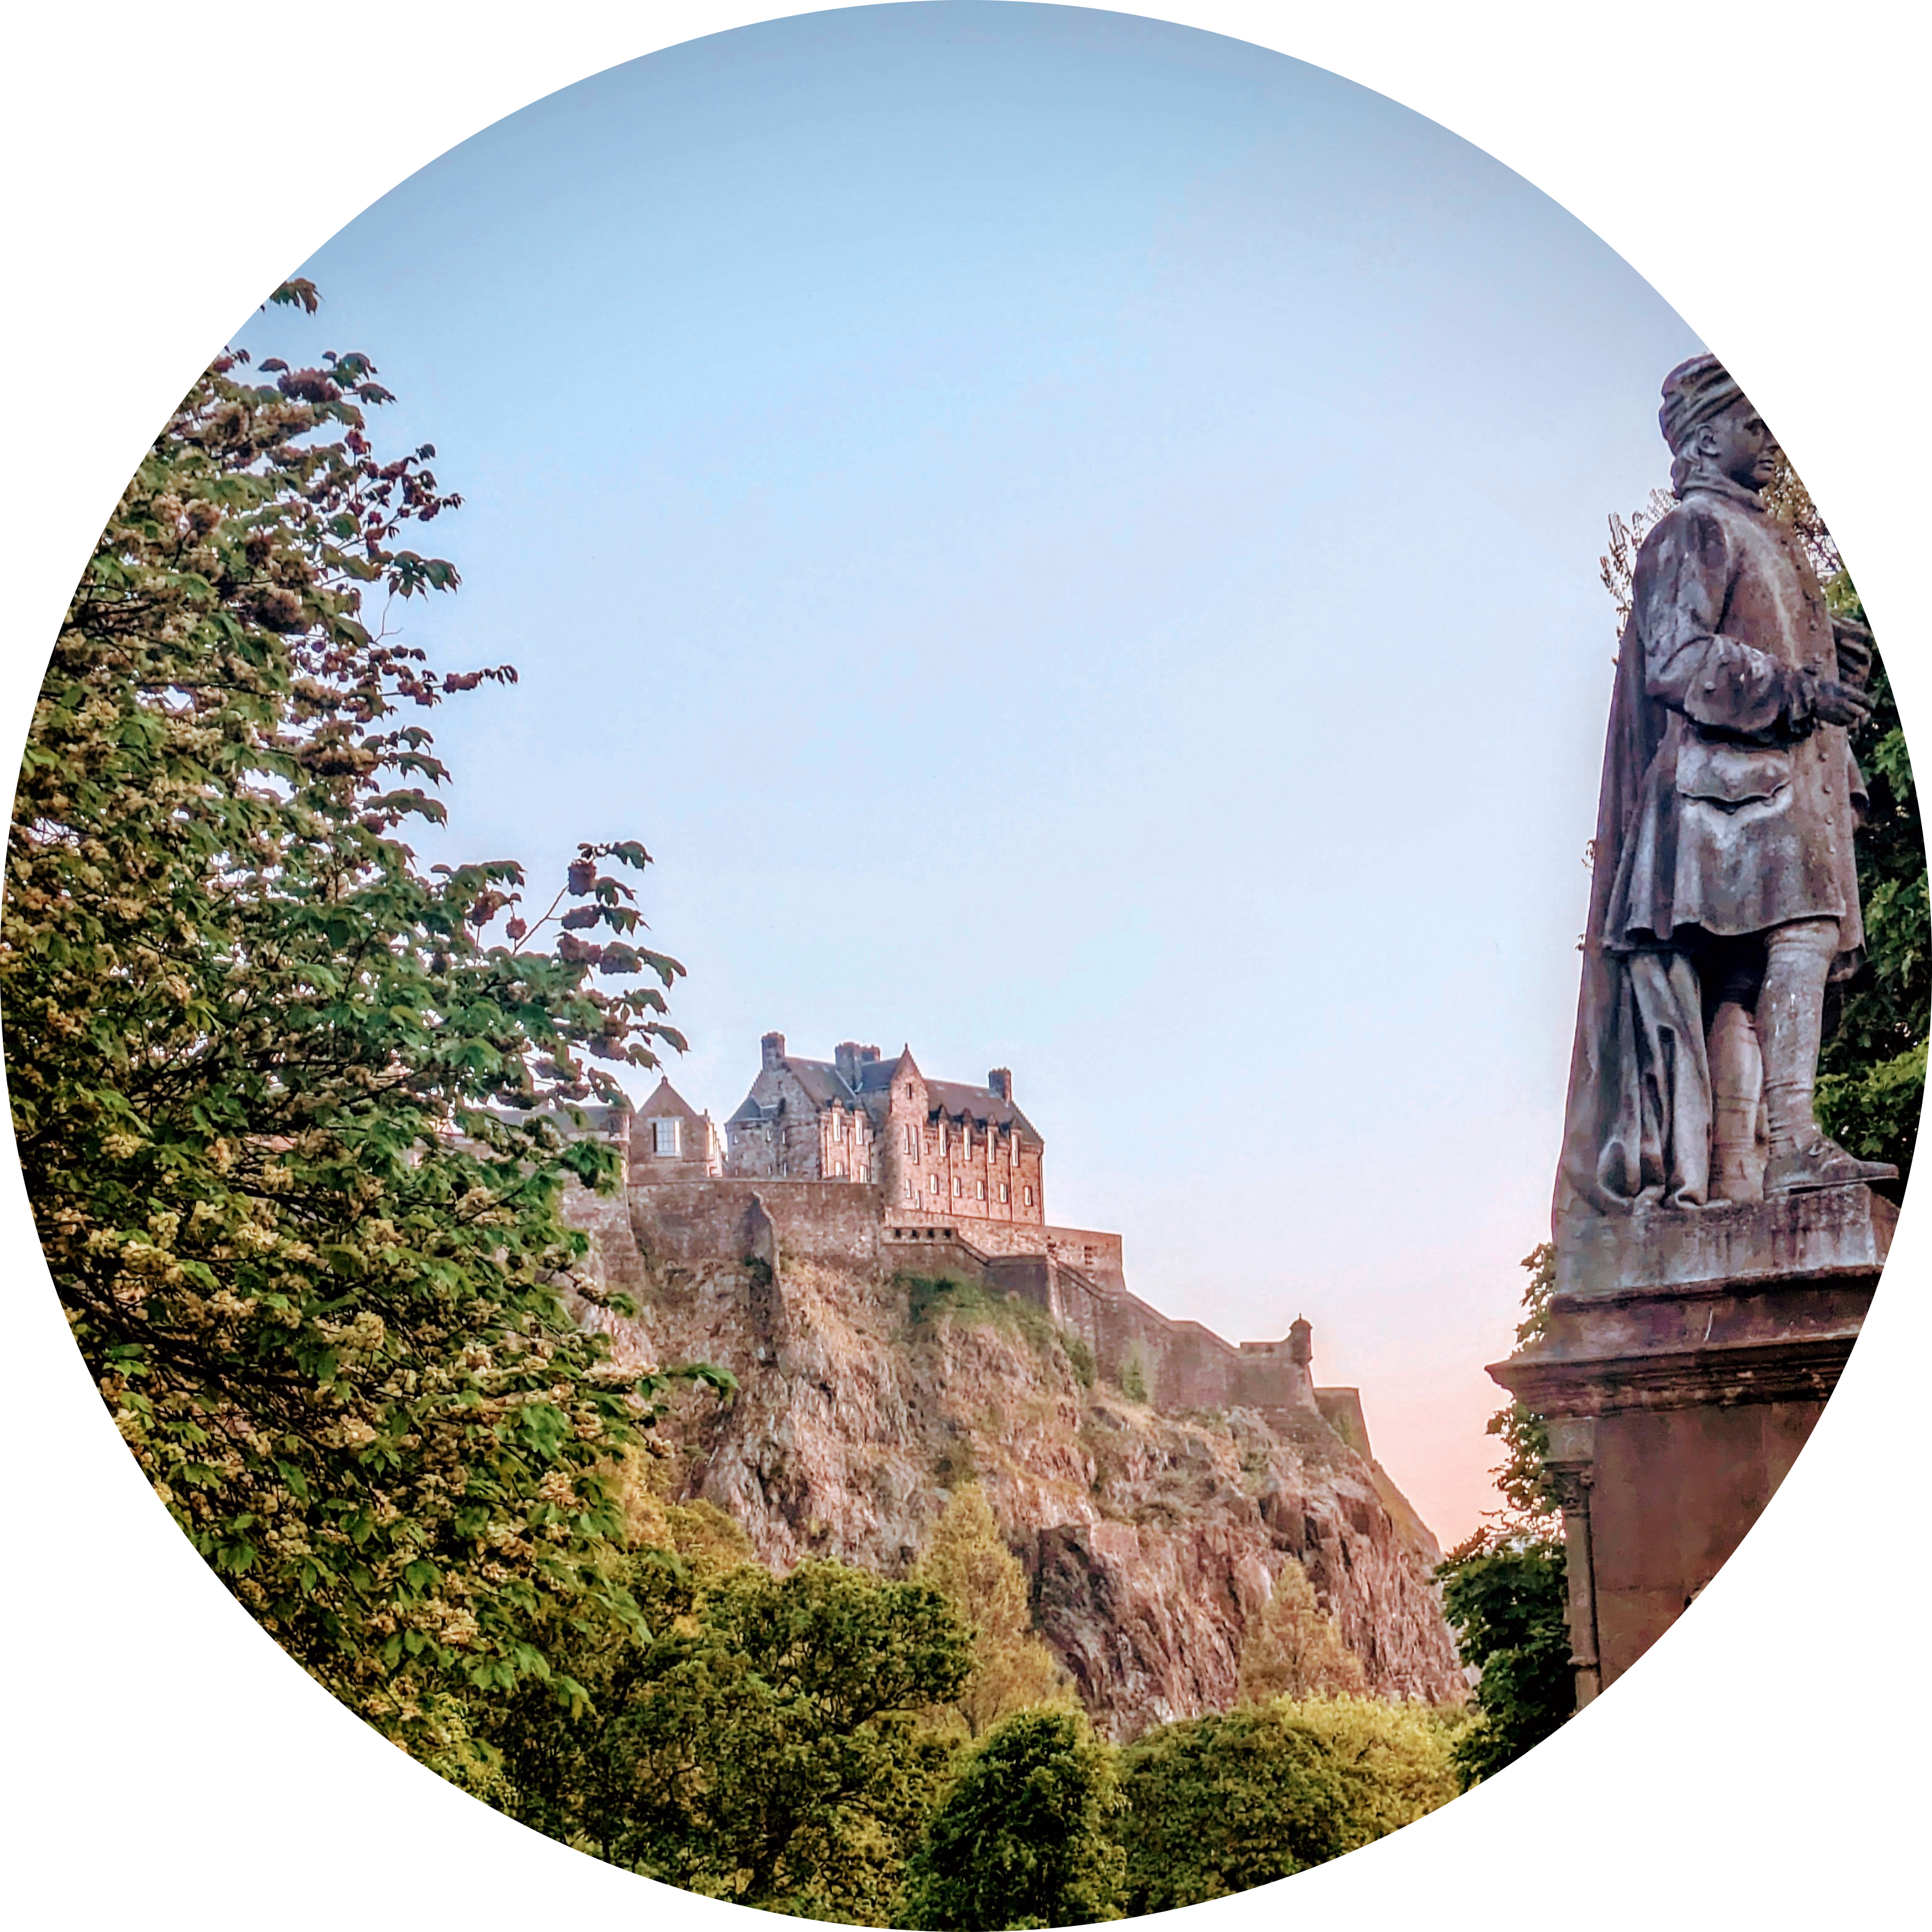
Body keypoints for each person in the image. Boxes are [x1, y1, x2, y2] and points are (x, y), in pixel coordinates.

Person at [1555, 354, 1896, 1223]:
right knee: (1802, 937)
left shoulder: (1762, 540)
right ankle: (1790, 1144)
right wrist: (1796, 690)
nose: (1772, 442)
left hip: (1767, 789)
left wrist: (1830, 661)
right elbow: (1677, 661)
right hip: (1728, 797)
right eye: (1754, 426)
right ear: (1706, 442)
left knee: (1745, 981)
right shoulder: (1695, 531)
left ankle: (1747, 1169)